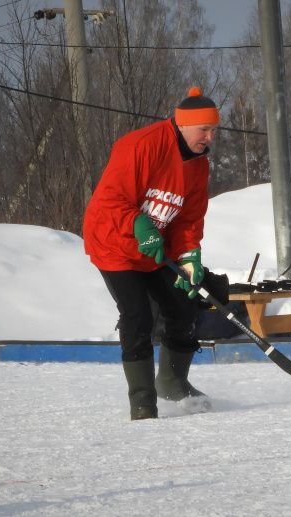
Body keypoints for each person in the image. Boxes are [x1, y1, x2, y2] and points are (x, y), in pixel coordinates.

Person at [83, 87, 219, 420]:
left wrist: (189, 255)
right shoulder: (141, 145)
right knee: (138, 316)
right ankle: (143, 402)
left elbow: (188, 219)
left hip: (156, 248)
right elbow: (111, 199)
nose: (209, 137)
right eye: (204, 129)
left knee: (183, 307)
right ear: (183, 124)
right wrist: (138, 224)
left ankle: (172, 383)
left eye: (214, 130)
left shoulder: (198, 165)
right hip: (114, 243)